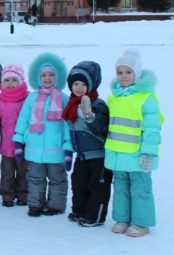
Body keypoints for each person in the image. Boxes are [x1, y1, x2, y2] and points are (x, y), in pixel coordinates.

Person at [105, 49, 162, 237]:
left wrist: (149, 152)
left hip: (138, 155)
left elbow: (152, 129)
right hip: (117, 154)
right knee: (120, 188)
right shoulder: (113, 98)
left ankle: (141, 223)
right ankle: (122, 218)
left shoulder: (147, 99)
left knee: (139, 188)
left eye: (128, 72)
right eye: (119, 72)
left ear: (137, 73)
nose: (123, 76)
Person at [13, 53, 71, 217]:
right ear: (38, 77)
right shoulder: (32, 98)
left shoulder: (63, 99)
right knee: (35, 178)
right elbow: (23, 120)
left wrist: (67, 147)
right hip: (35, 148)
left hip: (56, 149)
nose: (47, 78)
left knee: (57, 179)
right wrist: (18, 141)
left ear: (57, 76)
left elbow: (67, 124)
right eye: (44, 75)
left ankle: (55, 205)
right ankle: (35, 204)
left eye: (51, 75)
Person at [61, 61, 112, 227]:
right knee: (78, 183)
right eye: (75, 83)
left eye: (84, 84)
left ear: (92, 84)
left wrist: (89, 115)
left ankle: (95, 216)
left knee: (97, 187)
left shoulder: (98, 104)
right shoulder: (71, 104)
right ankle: (79, 211)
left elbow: (101, 127)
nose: (79, 87)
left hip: (99, 155)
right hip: (82, 155)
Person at [0, 64, 30, 207]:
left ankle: (23, 194)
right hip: (7, 145)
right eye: (6, 80)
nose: (10, 83)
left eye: (14, 80)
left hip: (24, 145)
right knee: (7, 172)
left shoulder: (27, 100)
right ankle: (7, 195)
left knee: (24, 171)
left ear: (21, 81)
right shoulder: (0, 102)